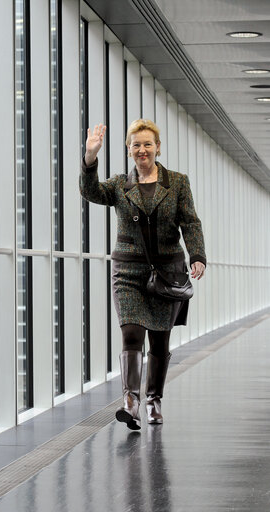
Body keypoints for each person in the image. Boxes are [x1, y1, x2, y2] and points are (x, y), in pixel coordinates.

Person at [80, 119, 206, 430]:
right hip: (128, 271)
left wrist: (198, 255)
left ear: (158, 147)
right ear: (128, 150)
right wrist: (90, 158)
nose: (142, 150)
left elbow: (190, 222)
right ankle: (130, 401)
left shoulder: (177, 183)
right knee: (132, 332)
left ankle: (153, 400)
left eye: (148, 144)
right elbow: (90, 192)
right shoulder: (120, 185)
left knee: (160, 341)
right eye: (136, 145)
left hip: (167, 273)